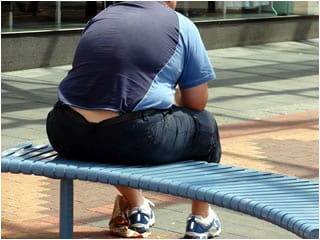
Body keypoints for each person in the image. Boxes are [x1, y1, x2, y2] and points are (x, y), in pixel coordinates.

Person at [46, 1, 222, 238]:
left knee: (112, 129)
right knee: (205, 125)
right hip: (134, 138)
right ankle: (202, 219)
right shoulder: (182, 25)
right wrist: (172, 91)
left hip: (66, 132)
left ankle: (138, 208)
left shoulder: (101, 18)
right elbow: (196, 103)